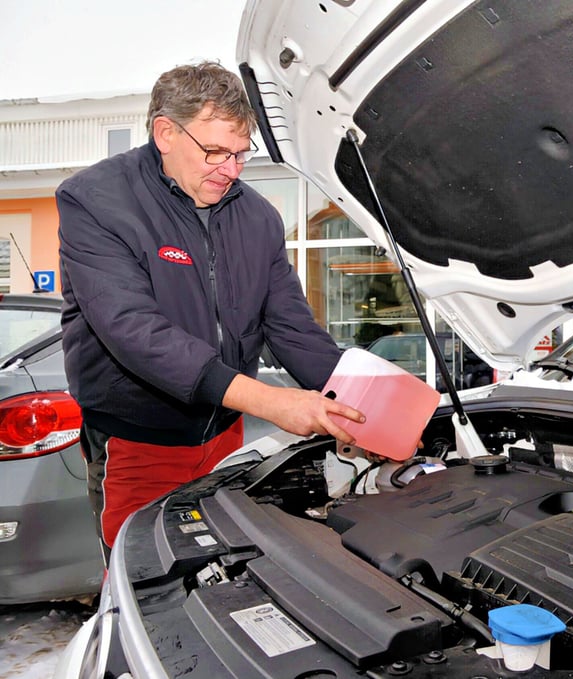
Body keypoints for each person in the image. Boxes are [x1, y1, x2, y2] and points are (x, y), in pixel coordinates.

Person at [57, 61, 363, 560]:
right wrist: (272, 402)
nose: (231, 170)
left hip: (226, 431)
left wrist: (361, 404)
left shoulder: (257, 216)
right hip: (139, 438)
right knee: (147, 575)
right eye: (216, 152)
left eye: (241, 154)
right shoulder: (95, 201)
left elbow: (290, 327)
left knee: (225, 565)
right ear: (165, 133)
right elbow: (133, 331)